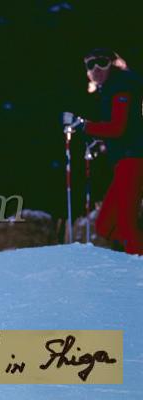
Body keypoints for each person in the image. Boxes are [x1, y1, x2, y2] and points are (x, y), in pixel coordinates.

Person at [67, 48, 143, 255]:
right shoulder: (110, 89)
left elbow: (118, 127)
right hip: (125, 160)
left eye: (102, 62)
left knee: (125, 224)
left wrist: (85, 126)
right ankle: (134, 254)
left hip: (133, 159)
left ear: (114, 64)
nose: (96, 68)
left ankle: (136, 260)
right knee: (104, 225)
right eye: (90, 65)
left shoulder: (122, 86)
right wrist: (99, 140)